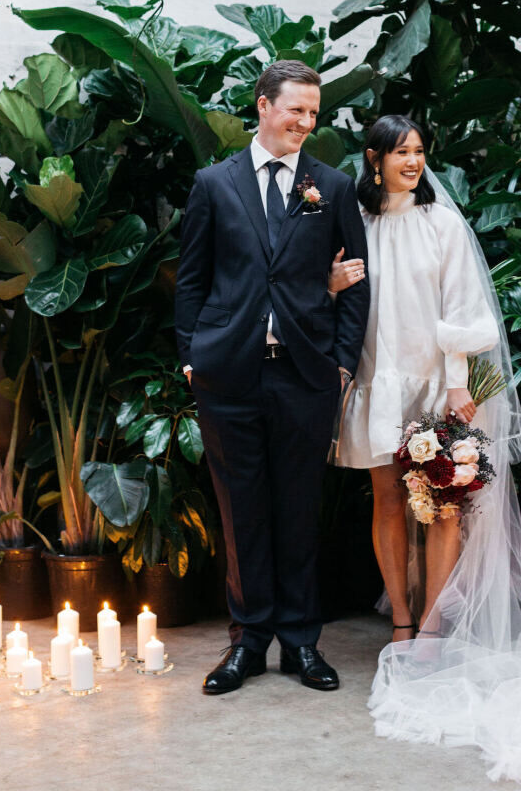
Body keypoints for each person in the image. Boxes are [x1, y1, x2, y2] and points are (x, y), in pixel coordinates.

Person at [330, 115, 521, 784]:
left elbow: (463, 307)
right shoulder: (354, 223)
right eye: (401, 153)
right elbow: (336, 299)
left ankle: (437, 629)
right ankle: (403, 624)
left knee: (441, 505)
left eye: (420, 151)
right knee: (387, 498)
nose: (413, 163)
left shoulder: (441, 224)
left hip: (432, 387)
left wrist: (455, 387)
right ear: (374, 158)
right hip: (375, 378)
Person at [175, 59, 369, 696]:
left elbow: (356, 281)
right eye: (297, 110)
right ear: (263, 105)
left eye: (314, 113)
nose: (307, 123)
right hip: (227, 375)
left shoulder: (332, 187)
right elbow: (193, 280)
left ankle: (302, 643)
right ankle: (248, 643)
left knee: (298, 513)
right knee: (243, 516)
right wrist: (190, 354)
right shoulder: (213, 183)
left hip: (305, 376)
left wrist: (341, 361)